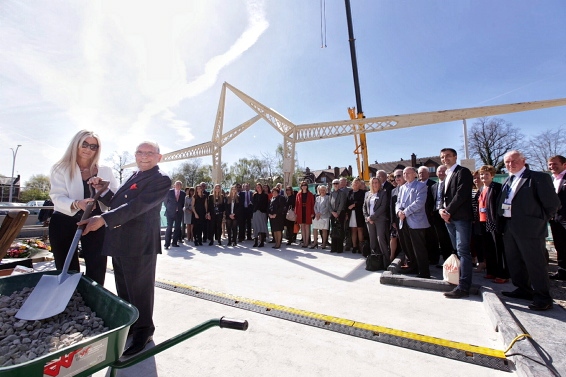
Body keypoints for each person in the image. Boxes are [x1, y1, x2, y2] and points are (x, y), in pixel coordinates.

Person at [81, 141, 170, 356]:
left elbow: (136, 207)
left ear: (159, 157)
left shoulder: (160, 179)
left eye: (150, 153)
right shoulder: (134, 176)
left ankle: (144, 331)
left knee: (140, 290)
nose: (144, 156)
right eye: (140, 152)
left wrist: (102, 219)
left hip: (140, 243)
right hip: (121, 241)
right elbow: (117, 203)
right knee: (125, 289)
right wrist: (102, 191)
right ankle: (131, 324)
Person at [49, 130, 118, 286]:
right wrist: (76, 203)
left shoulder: (106, 170)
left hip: (95, 222)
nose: (88, 149)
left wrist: (102, 188)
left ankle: (93, 304)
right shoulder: (60, 168)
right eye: (85, 144)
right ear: (76, 144)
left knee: (97, 267)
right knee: (66, 267)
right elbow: (57, 197)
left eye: (94, 146)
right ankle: (70, 302)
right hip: (64, 220)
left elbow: (115, 200)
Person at [497, 150, 560, 311]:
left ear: (523, 160)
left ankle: (543, 297)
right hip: (510, 227)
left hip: (531, 229)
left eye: (514, 161)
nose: (510, 165)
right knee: (515, 261)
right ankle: (523, 289)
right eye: (507, 163)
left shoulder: (538, 178)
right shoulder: (508, 180)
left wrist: (539, 221)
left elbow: (552, 204)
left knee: (535, 263)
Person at [439, 148, 474, 299]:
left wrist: (448, 211)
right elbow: (443, 196)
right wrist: (441, 210)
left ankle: (464, 286)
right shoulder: (446, 175)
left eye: (448, 156)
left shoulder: (462, 172)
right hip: (449, 218)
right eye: (442, 157)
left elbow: (462, 194)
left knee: (463, 250)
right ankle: (457, 279)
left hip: (460, 218)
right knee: (457, 250)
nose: (445, 159)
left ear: (455, 157)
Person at [395, 167, 431, 278]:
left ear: (415, 174)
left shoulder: (421, 186)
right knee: (408, 246)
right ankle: (412, 267)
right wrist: (398, 212)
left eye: (408, 173)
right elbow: (398, 202)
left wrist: (405, 212)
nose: (405, 175)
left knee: (418, 247)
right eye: (404, 173)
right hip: (403, 221)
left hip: (416, 221)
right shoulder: (402, 187)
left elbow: (419, 202)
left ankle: (424, 272)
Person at [478, 165, 508, 283]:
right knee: (488, 247)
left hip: (493, 221)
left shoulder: (496, 187)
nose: (483, 176)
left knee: (498, 248)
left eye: (486, 174)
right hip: (482, 221)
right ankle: (491, 271)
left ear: (492, 175)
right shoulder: (481, 188)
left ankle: (502, 274)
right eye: (482, 174)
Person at [429, 165, 453, 265]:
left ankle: (453, 261)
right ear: (436, 173)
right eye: (439, 171)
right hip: (436, 214)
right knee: (441, 238)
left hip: (447, 213)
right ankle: (445, 260)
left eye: (443, 171)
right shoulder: (434, 186)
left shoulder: (449, 184)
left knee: (450, 238)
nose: (441, 173)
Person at [548, 155, 566, 281]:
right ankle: (562, 272)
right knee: (560, 245)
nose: (552, 166)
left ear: (564, 165)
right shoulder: (550, 180)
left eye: (555, 164)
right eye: (550, 164)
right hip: (555, 219)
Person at [364, 177, 390, 263]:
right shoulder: (368, 194)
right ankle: (375, 260)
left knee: (380, 239)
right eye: (373, 183)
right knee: (372, 240)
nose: (375, 184)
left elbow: (383, 207)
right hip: (369, 221)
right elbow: (364, 207)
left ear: (379, 184)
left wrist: (372, 217)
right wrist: (367, 217)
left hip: (379, 219)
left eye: (376, 182)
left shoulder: (383, 193)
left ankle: (386, 261)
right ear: (370, 184)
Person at [418, 166, 439, 265]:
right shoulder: (416, 185)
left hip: (430, 215)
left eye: (423, 172)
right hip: (418, 216)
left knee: (432, 237)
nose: (421, 174)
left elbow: (435, 199)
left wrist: (431, 212)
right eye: (419, 173)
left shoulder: (433, 185)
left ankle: (434, 258)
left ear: (428, 174)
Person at [163, 181, 186, 249]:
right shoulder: (169, 192)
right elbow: (165, 201)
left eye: (180, 184)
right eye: (177, 184)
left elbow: (183, 203)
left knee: (177, 228)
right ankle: (167, 244)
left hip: (179, 213)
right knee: (169, 227)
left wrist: (181, 209)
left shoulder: (183, 193)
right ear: (174, 185)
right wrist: (170, 208)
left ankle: (174, 243)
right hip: (170, 213)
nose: (178, 185)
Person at [389, 169, 405, 262]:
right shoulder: (394, 191)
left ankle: (406, 258)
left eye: (399, 176)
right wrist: (392, 221)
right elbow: (391, 206)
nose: (397, 178)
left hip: (407, 219)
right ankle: (391, 257)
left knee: (405, 240)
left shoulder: (409, 187)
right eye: (395, 177)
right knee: (393, 237)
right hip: (396, 220)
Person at [329, 179, 347, 253]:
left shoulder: (342, 193)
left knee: (340, 230)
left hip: (340, 214)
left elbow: (342, 203)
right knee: (333, 230)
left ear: (339, 184)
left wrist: (338, 213)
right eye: (334, 183)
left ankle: (339, 248)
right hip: (333, 213)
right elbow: (329, 204)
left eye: (337, 183)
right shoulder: (331, 193)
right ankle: (333, 247)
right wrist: (332, 212)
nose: (335, 185)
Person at [295, 181, 315, 248]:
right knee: (302, 227)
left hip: (308, 211)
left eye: (305, 185)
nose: (304, 186)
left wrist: (312, 213)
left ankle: (307, 242)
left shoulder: (310, 194)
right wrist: (296, 213)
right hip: (300, 211)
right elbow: (296, 204)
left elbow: (313, 204)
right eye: (302, 185)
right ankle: (304, 241)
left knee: (307, 227)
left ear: (307, 186)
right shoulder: (298, 194)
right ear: (301, 186)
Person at [311, 185, 331, 249]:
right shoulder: (317, 198)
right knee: (315, 229)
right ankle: (315, 242)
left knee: (324, 230)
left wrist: (320, 213)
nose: (322, 191)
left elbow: (327, 207)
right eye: (321, 190)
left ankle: (324, 243)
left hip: (325, 216)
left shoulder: (328, 197)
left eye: (323, 190)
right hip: (317, 216)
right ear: (319, 191)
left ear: (326, 190)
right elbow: (315, 206)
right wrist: (316, 213)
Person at [251, 183, 269, 247]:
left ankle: (262, 242)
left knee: (262, 227)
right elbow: (253, 204)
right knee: (255, 227)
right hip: (256, 212)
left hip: (262, 213)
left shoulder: (265, 195)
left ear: (261, 188)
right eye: (257, 187)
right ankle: (255, 241)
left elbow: (266, 204)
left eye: (259, 187)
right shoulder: (254, 195)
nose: (258, 188)